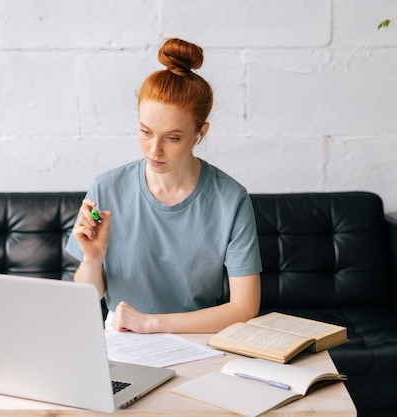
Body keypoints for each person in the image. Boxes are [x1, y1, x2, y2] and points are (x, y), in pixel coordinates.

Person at [66, 38, 262, 334]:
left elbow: (245, 308)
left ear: (200, 132)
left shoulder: (230, 199)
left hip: (197, 341)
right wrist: (93, 260)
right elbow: (86, 296)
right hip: (123, 341)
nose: (153, 150)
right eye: (145, 132)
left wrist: (151, 323)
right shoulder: (106, 188)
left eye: (172, 138)